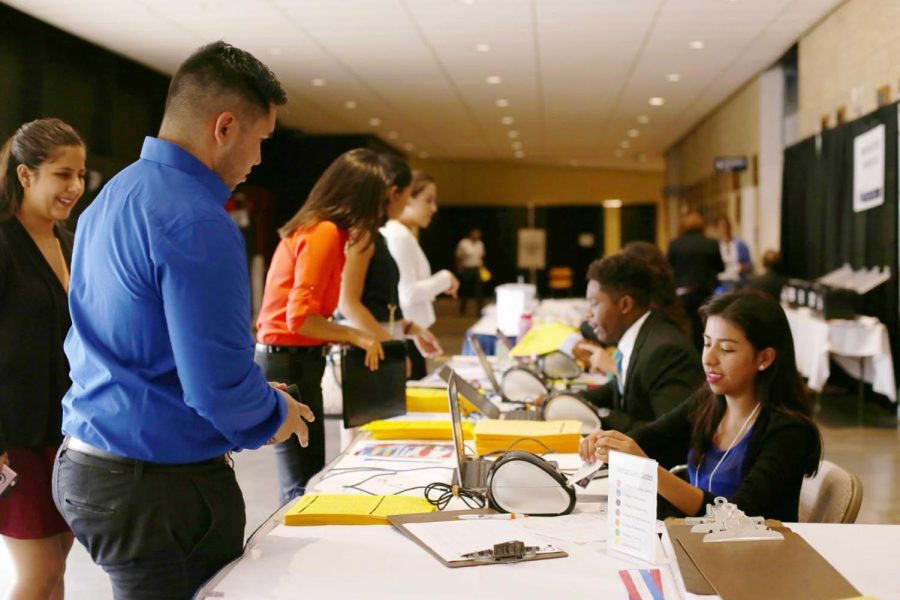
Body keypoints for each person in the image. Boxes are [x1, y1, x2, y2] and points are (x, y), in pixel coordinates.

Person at [54, 42, 313, 599]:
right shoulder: (196, 219)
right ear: (225, 127)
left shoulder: (113, 195)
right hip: (153, 486)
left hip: (90, 461)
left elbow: (137, 340)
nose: (258, 160)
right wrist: (276, 412)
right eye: (260, 140)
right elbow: (215, 387)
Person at [580, 290, 822, 522]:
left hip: (752, 556)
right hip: (696, 544)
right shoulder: (709, 401)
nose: (708, 358)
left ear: (764, 358)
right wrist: (609, 442)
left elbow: (739, 517)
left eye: (726, 349)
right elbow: (650, 437)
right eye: (707, 344)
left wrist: (648, 472)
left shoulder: (789, 432)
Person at [256, 148, 389, 505]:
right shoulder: (324, 233)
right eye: (380, 199)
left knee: (305, 477)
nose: (382, 211)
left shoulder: (324, 231)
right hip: (289, 362)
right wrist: (355, 334)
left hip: (295, 360)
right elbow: (298, 317)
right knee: (302, 484)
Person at [0, 118, 85, 600]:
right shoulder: (3, 243)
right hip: (15, 439)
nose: (74, 186)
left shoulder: (70, 243)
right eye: (61, 174)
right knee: (40, 572)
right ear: (25, 174)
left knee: (56, 572)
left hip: (67, 435)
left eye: (80, 174)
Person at [578, 252, 704, 432]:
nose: (588, 313)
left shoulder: (665, 351)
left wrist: (599, 414)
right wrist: (568, 400)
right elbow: (620, 387)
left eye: (594, 303)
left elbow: (671, 436)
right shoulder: (640, 337)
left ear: (625, 305)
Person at [338, 154, 442, 369]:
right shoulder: (363, 234)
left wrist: (410, 327)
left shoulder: (376, 234)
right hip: (368, 354)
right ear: (395, 194)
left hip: (376, 346)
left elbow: (377, 303)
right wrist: (390, 347)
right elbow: (348, 304)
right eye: (406, 194)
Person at [382, 170, 459, 379]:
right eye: (428, 200)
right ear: (406, 198)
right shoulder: (398, 236)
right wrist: (445, 278)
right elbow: (406, 293)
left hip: (409, 331)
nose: (433, 208)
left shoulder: (402, 234)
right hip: (405, 334)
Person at [667, 211, 724, 351]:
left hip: (682, 294)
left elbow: (668, 269)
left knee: (684, 328)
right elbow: (720, 267)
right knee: (704, 327)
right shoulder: (711, 244)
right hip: (704, 292)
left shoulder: (675, 244)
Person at [716, 216, 753, 290]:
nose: (724, 229)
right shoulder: (715, 245)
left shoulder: (741, 245)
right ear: (717, 228)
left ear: (730, 227)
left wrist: (742, 267)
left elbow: (750, 266)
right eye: (722, 226)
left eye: (726, 226)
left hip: (737, 281)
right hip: (720, 282)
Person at [455, 227, 486, 316]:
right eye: (475, 233)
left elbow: (481, 257)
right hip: (467, 268)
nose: (477, 235)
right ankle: (462, 309)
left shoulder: (480, 244)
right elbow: (458, 256)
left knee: (479, 290)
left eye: (478, 234)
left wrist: (482, 268)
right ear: (471, 234)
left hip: (477, 269)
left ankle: (480, 310)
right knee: (465, 290)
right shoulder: (464, 243)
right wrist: (459, 267)